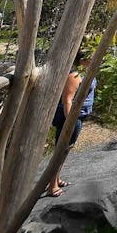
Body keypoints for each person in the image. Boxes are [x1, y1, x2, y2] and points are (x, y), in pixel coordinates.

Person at [49, 52, 92, 196]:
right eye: (90, 57)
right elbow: (67, 100)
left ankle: (57, 179)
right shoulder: (74, 76)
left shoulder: (86, 73)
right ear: (83, 60)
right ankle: (52, 185)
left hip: (79, 116)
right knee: (60, 150)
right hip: (70, 117)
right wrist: (70, 123)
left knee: (65, 150)